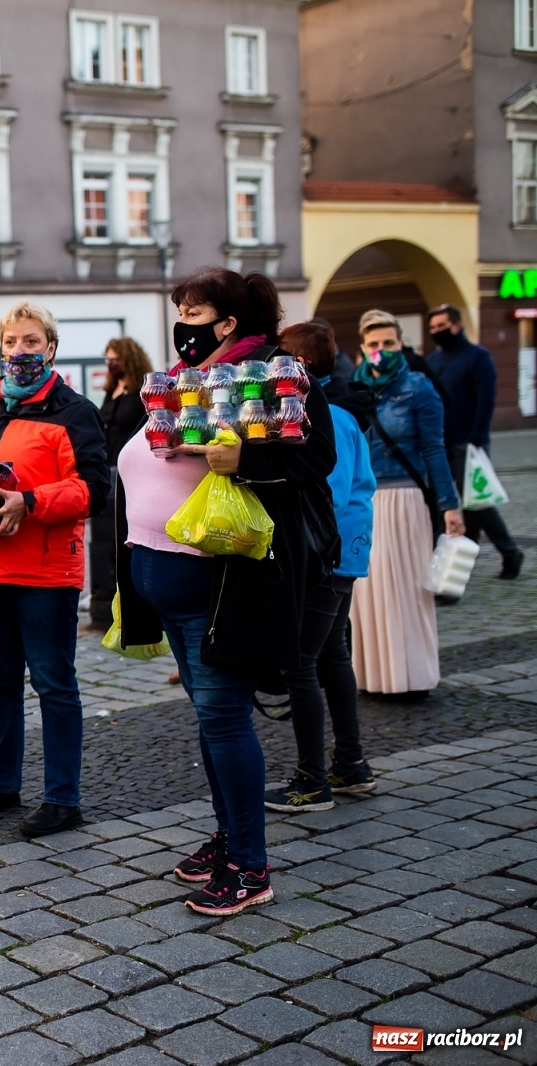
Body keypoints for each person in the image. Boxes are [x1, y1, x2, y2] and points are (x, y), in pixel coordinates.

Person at [115, 267, 337, 916]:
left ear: (229, 321)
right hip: (165, 579)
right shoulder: (181, 379)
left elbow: (314, 460)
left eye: (193, 312)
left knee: (224, 718)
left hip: (223, 584)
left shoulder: (271, 373)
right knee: (211, 721)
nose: (181, 323)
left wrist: (247, 460)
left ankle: (249, 865)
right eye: (180, 311)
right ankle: (229, 836)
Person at [0, 301, 109, 838]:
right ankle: (1, 783)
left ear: (51, 347)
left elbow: (95, 489)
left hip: (44, 572)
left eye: (31, 341)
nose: (20, 350)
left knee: (53, 684)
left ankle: (63, 798)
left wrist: (31, 501)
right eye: (11, 341)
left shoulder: (74, 411)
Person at [264, 322, 378, 813]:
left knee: (301, 663)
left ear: (300, 366)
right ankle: (351, 764)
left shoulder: (328, 414)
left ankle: (312, 781)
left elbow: (327, 489)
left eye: (280, 358)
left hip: (326, 553)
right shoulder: (339, 409)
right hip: (343, 551)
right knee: (331, 656)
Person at [349, 309, 464, 695]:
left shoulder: (419, 388)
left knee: (408, 590)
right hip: (364, 500)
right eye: (374, 344)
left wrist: (450, 505)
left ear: (402, 344)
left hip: (405, 498)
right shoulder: (353, 390)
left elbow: (435, 449)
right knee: (369, 592)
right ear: (362, 347)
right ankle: (373, 677)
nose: (381, 350)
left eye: (389, 343)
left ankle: (412, 677)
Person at [427, 303, 523, 579]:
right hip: (440, 444)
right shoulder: (433, 360)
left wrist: (476, 438)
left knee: (477, 503)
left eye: (442, 326)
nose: (436, 331)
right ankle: (460, 559)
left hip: (467, 443)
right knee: (444, 505)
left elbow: (485, 400)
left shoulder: (478, 357)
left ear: (457, 325)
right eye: (433, 327)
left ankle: (510, 552)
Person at [88, 337, 153, 630]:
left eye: (115, 359)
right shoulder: (111, 389)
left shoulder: (140, 392)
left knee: (123, 530)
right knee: (104, 532)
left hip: (129, 469)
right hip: (107, 466)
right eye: (108, 360)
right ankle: (107, 595)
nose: (111, 364)